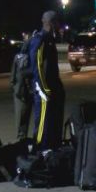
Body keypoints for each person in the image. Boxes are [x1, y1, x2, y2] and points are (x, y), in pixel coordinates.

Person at [29, 11, 65, 152]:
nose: (58, 25)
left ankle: (52, 147)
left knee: (53, 120)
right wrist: (43, 88)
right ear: (51, 23)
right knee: (42, 123)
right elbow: (37, 65)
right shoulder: (41, 39)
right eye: (57, 22)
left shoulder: (49, 39)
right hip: (43, 88)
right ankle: (39, 150)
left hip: (52, 87)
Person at [11, 32, 34, 139]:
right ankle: (22, 137)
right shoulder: (30, 58)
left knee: (20, 116)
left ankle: (21, 136)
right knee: (26, 115)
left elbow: (13, 76)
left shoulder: (17, 57)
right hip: (27, 90)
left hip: (19, 90)